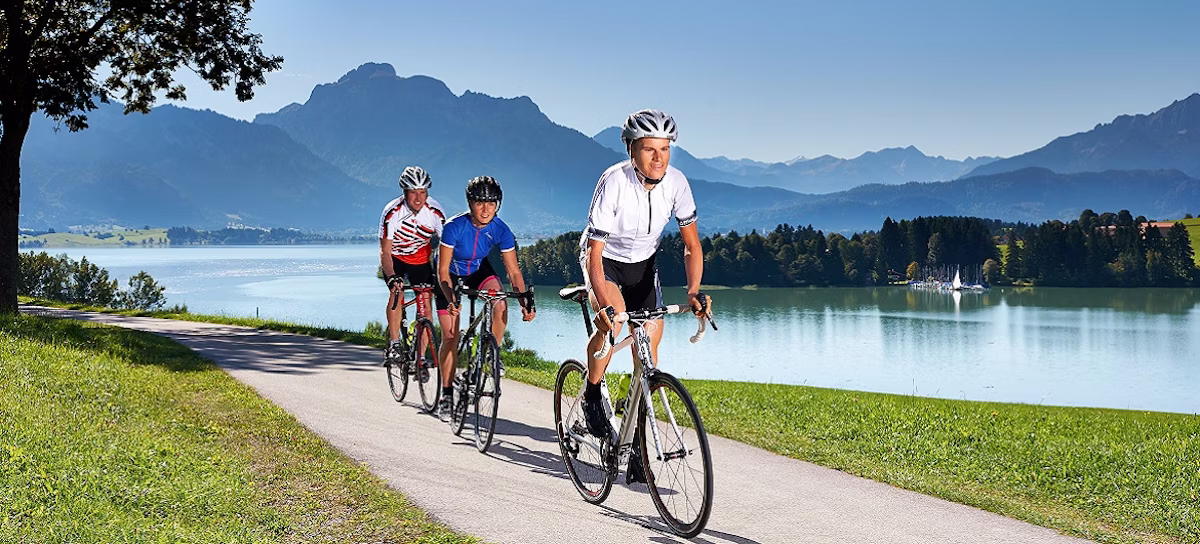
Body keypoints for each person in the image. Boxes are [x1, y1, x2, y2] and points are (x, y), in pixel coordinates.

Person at [579, 109, 710, 443]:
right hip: (605, 261)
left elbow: (692, 246)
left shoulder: (677, 184)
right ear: (631, 150)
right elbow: (595, 253)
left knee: (649, 346)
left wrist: (694, 291)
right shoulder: (614, 182)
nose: (658, 157)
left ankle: (635, 431)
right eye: (649, 148)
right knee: (615, 323)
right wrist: (603, 307)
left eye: (665, 148)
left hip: (643, 265)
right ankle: (592, 394)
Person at [435, 175, 536, 419]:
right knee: (450, 336)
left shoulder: (500, 230)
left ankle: (489, 354)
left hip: (476, 269)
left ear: (498, 205)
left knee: (500, 302)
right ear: (470, 203)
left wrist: (525, 301)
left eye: (491, 203)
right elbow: (442, 270)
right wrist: (450, 298)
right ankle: (446, 394)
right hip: (448, 275)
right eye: (480, 202)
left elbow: (513, 272)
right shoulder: (453, 227)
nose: (485, 209)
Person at [379, 166, 446, 365]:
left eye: (422, 192)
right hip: (396, 258)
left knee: (426, 303)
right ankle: (395, 344)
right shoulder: (392, 212)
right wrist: (392, 278)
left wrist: (443, 278)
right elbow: (385, 252)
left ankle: (421, 357)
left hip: (421, 260)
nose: (418, 198)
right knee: (397, 293)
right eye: (413, 192)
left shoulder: (435, 212)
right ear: (405, 192)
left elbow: (445, 250)